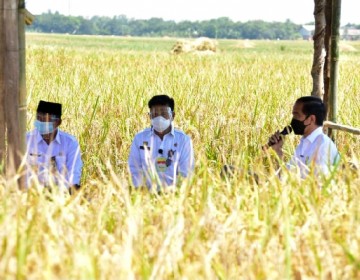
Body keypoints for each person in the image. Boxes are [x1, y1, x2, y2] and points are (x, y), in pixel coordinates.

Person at [128, 94, 194, 190]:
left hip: (174, 197)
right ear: (149, 116)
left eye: (163, 114)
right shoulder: (140, 139)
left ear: (173, 115)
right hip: (146, 196)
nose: (159, 118)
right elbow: (134, 169)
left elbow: (186, 173)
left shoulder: (183, 140)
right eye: (154, 114)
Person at [269, 96, 340, 178]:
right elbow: (286, 177)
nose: (293, 120)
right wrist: (278, 151)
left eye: (297, 115)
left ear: (311, 119)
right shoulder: (304, 143)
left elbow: (318, 185)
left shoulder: (323, 146)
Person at [26, 100, 83, 192]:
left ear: (58, 122)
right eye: (39, 118)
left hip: (61, 195)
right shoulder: (25, 140)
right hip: (31, 196)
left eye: (45, 120)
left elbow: (73, 173)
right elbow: (17, 173)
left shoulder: (70, 143)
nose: (41, 123)